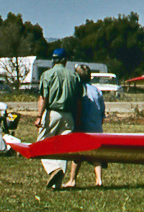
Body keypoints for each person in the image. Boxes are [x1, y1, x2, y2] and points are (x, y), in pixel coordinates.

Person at [34, 49, 82, 189]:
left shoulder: (47, 74)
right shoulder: (74, 76)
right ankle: (58, 183)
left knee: (41, 144)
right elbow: (79, 100)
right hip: (69, 115)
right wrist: (78, 118)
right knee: (63, 147)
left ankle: (53, 168)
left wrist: (39, 116)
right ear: (65, 60)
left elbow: (44, 97)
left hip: (52, 113)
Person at [63, 64, 106, 188]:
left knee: (77, 154)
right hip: (96, 126)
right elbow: (102, 110)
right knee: (96, 153)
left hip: (83, 125)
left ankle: (72, 179)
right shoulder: (97, 91)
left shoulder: (78, 90)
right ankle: (99, 179)